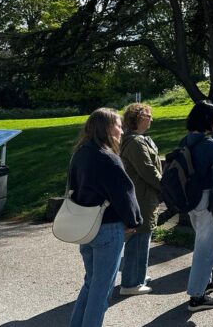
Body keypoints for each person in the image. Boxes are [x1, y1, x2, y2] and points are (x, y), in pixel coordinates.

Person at [68, 108, 142, 327]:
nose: (121, 130)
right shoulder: (108, 157)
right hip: (107, 228)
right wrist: (133, 221)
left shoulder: (80, 153)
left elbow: (73, 187)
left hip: (85, 226)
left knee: (91, 284)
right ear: (108, 128)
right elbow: (124, 194)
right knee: (101, 291)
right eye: (118, 125)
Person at [182, 101, 213, 311]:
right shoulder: (209, 144)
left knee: (201, 242)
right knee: (205, 247)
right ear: (209, 119)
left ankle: (206, 282)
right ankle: (197, 297)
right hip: (206, 199)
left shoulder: (185, 141)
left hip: (190, 199)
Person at [118, 103, 161, 295]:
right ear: (139, 118)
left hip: (143, 196)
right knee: (139, 236)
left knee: (142, 236)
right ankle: (131, 283)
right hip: (141, 197)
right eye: (148, 116)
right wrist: (166, 187)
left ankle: (137, 274)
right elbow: (148, 170)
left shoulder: (137, 139)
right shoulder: (135, 142)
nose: (151, 119)